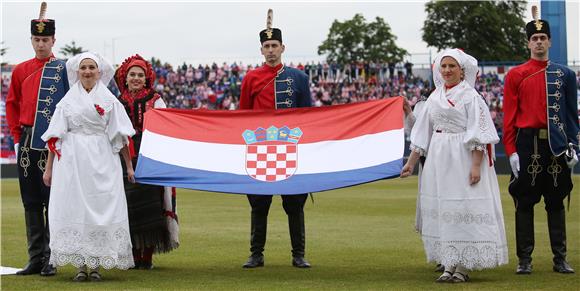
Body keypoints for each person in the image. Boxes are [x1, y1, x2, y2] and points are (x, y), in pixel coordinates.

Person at [400, 48, 508, 283]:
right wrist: (410, 164)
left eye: (452, 66)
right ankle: (448, 263)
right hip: (439, 156)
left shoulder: (471, 97)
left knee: (463, 207)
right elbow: (421, 134)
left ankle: (462, 266)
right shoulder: (434, 97)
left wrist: (476, 166)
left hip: (462, 155)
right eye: (444, 66)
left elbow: (478, 134)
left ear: (462, 70)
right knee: (444, 208)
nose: (447, 70)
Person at [41, 52, 136, 281]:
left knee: (101, 206)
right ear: (77, 71)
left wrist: (129, 166)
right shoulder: (67, 102)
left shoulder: (110, 101)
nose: (87, 71)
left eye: (91, 67)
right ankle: (81, 266)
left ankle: (96, 266)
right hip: (72, 161)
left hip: (102, 159)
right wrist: (49, 168)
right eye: (83, 67)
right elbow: (55, 137)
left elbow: (120, 137)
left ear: (99, 71)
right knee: (75, 207)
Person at [502, 7, 578, 275]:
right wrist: (510, 150)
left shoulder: (566, 75)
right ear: (528, 42)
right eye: (534, 39)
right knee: (524, 202)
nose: (539, 42)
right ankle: (525, 260)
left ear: (549, 41)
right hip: (527, 143)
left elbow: (571, 117)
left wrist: (574, 146)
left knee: (556, 201)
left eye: (543, 37)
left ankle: (560, 259)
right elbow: (509, 117)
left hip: (556, 145)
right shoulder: (515, 75)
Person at [238, 9, 312, 269]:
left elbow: (308, 117)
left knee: (294, 205)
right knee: (259, 205)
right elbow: (242, 116)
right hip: (260, 149)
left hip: (290, 148)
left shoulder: (299, 78)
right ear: (261, 50)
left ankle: (298, 254)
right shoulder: (250, 78)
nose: (271, 50)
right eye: (266, 46)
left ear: (283, 47)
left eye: (274, 45)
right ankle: (256, 254)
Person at [5, 2, 68, 276]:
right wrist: (18, 138)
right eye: (36, 39)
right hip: (28, 139)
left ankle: (52, 257)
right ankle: (35, 258)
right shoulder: (20, 70)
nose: (40, 44)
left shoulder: (63, 69)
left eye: (45, 39)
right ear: (31, 40)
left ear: (54, 40)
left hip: (53, 143)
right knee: (30, 200)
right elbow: (12, 105)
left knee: (53, 200)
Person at [115, 54, 180, 270]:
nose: (136, 78)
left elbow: (166, 127)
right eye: (132, 74)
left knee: (151, 206)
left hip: (149, 156)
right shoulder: (118, 101)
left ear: (146, 78)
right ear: (125, 77)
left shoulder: (156, 99)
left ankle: (147, 257)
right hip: (124, 157)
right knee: (129, 207)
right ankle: (133, 255)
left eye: (140, 75)